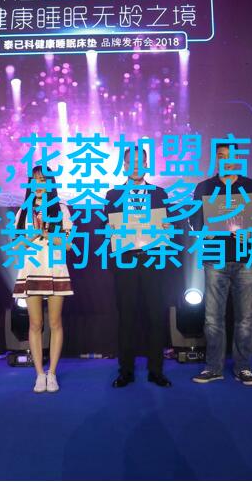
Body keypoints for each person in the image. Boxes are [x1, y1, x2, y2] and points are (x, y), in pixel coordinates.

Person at [191, 143, 252, 387]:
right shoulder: (204, 187)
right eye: (221, 156)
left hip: (246, 258)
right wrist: (206, 231)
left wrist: (251, 233)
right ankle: (213, 368)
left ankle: (244, 368)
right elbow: (195, 222)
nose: (226, 160)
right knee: (213, 319)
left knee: (245, 319)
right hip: (215, 258)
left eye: (231, 156)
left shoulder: (251, 186)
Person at [104, 148, 173, 388]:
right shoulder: (113, 195)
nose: (135, 166)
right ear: (123, 165)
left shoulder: (159, 194)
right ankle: (126, 371)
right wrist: (110, 230)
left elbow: (168, 227)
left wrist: (166, 227)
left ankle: (156, 371)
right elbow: (106, 229)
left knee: (156, 316)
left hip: (153, 260)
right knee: (127, 317)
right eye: (130, 162)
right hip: (125, 261)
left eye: (140, 161)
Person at [12, 165, 73, 393]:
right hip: (31, 268)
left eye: (43, 180)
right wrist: (31, 236)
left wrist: (46, 232)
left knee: (55, 323)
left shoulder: (61, 209)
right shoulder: (24, 211)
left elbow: (68, 244)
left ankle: (52, 373)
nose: (39, 185)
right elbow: (15, 245)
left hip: (55, 268)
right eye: (35, 180)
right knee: (35, 324)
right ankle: (39, 374)